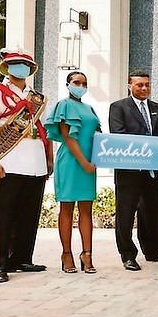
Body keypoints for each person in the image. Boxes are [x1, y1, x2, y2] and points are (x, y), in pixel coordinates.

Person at [0, 47, 52, 283]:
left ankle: (20, 258)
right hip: (7, 161)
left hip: (35, 163)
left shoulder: (36, 97)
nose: (20, 67)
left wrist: (48, 160)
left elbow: (42, 131)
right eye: (15, 63)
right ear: (6, 67)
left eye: (25, 64)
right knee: (4, 215)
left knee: (28, 213)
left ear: (31, 69)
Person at [108, 70, 158, 271]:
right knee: (125, 214)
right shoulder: (118, 107)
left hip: (153, 172)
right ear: (130, 85)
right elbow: (119, 135)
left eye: (147, 85)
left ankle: (153, 251)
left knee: (152, 213)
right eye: (139, 85)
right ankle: (127, 254)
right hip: (129, 171)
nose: (144, 88)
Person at [44, 71, 101, 274]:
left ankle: (87, 254)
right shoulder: (64, 105)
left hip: (89, 163)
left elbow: (98, 136)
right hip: (71, 162)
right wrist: (84, 162)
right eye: (76, 82)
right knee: (66, 208)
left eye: (84, 83)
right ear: (68, 84)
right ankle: (66, 254)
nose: (81, 85)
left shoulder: (89, 108)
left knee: (87, 208)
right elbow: (68, 138)